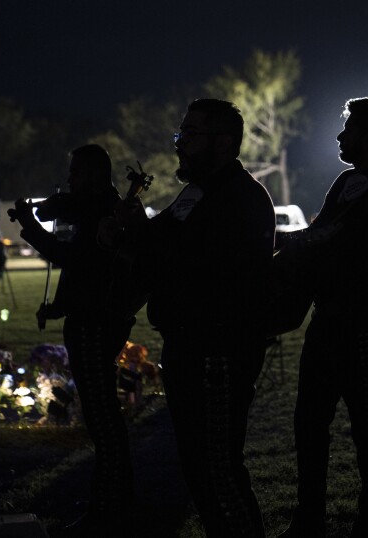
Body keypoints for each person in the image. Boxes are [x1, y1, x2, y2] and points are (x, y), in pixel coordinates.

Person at [113, 98, 275, 538]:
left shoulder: (240, 197)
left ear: (222, 142)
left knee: (217, 466)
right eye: (179, 135)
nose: (180, 145)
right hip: (187, 345)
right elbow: (157, 250)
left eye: (190, 135)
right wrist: (128, 231)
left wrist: (141, 241)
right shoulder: (196, 193)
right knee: (197, 465)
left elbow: (191, 267)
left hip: (219, 349)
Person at [278, 97, 368, 538]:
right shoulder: (345, 182)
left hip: (363, 325)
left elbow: (336, 243)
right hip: (328, 321)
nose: (340, 136)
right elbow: (323, 234)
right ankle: (309, 517)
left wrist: (287, 241)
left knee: (367, 427)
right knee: (308, 423)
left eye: (349, 130)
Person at [8, 144, 140, 536]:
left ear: (97, 176)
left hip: (95, 326)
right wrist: (59, 306)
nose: (69, 181)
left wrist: (31, 227)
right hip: (92, 319)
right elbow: (85, 272)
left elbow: (72, 258)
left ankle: (108, 506)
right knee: (104, 419)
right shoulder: (95, 207)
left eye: (76, 174)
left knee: (102, 420)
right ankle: (119, 498)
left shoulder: (106, 212)